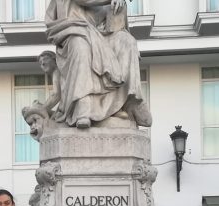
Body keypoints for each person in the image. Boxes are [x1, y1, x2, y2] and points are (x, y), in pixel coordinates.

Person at [44, 0, 151, 128]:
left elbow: (105, 14)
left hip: (99, 32)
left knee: (127, 42)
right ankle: (83, 109)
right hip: (73, 29)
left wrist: (117, 9)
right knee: (81, 47)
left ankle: (126, 102)